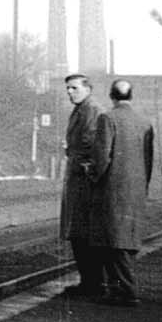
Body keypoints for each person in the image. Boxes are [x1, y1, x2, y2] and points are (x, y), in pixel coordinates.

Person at [89, 79, 153, 306]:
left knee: (112, 241)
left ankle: (126, 291)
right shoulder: (145, 122)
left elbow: (102, 157)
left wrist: (93, 174)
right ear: (131, 96)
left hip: (112, 190)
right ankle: (120, 289)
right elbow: (148, 159)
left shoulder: (107, 118)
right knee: (127, 241)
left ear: (111, 95)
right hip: (135, 189)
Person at [59, 73, 103, 297]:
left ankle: (92, 283)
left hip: (83, 180)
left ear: (88, 89)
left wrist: (77, 158)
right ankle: (90, 281)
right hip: (77, 177)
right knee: (79, 232)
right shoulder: (81, 109)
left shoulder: (90, 110)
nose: (69, 92)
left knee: (82, 232)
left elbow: (90, 142)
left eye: (74, 88)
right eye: (68, 88)